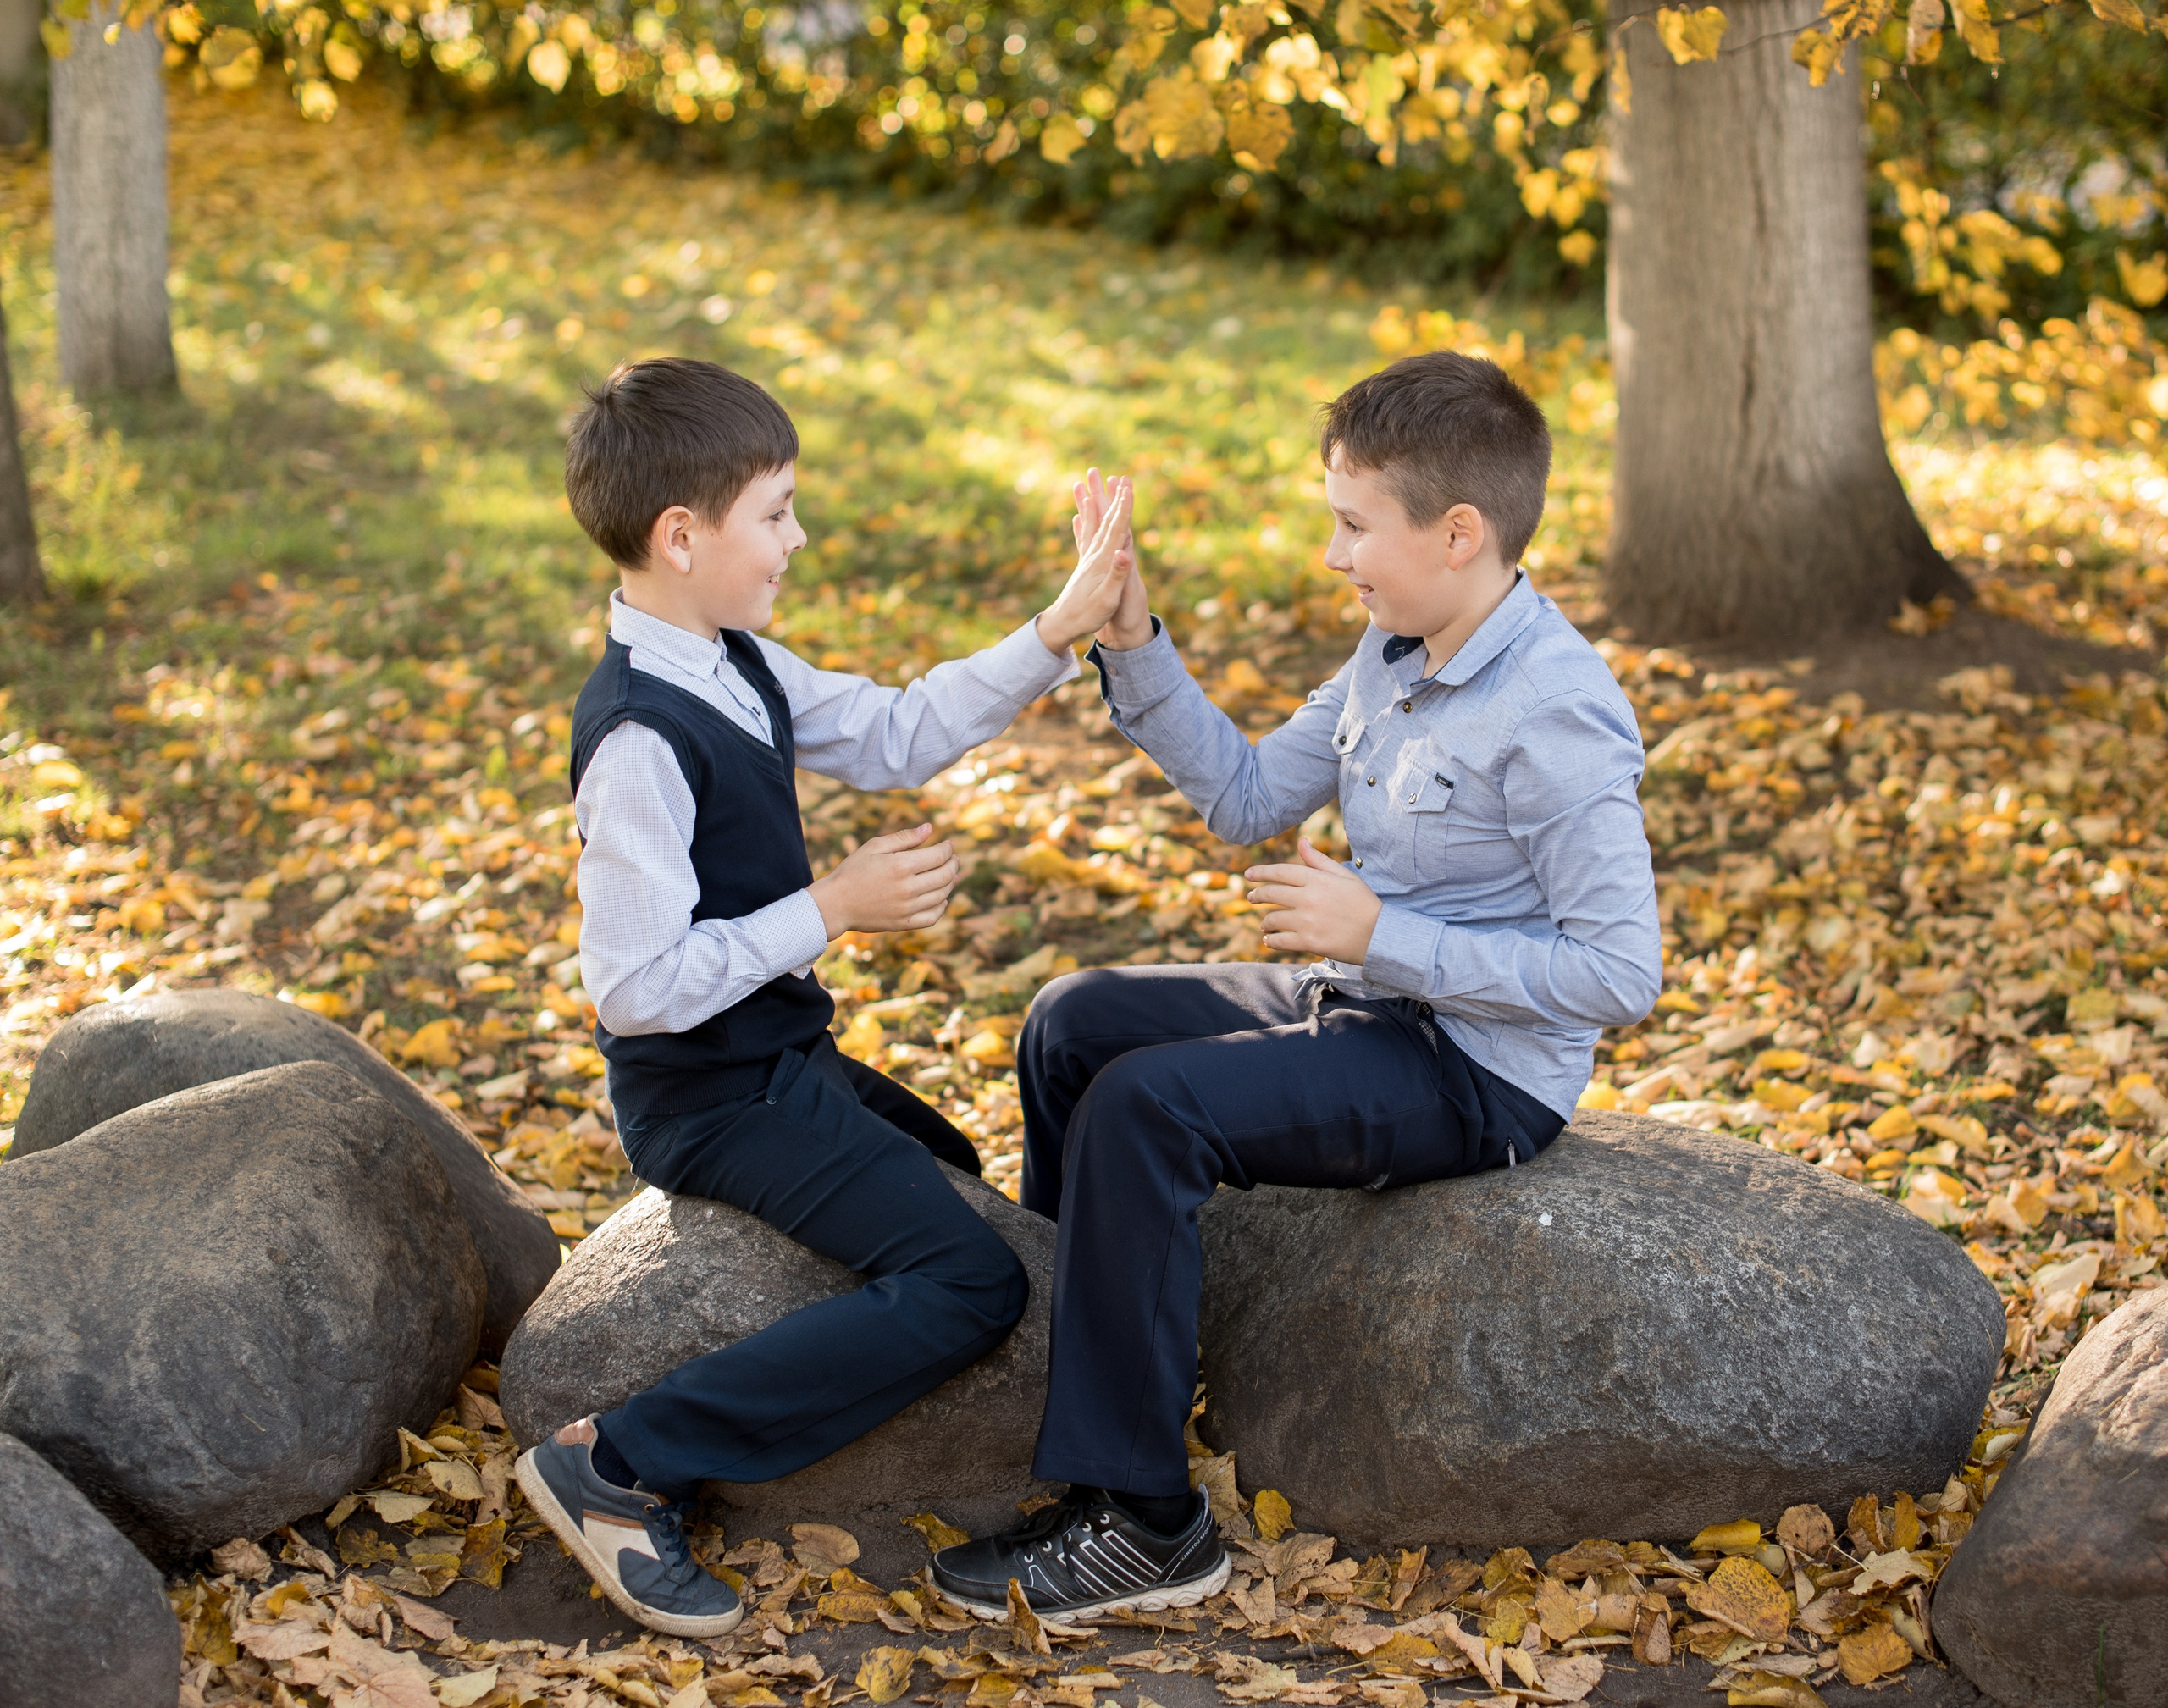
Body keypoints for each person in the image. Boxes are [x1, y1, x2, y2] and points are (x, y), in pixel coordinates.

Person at [931, 351, 1663, 1619]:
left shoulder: (1557, 711)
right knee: (1072, 1025)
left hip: (1474, 1071)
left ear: (1458, 532)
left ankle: (1150, 1523)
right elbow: (1247, 796)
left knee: (1148, 1105)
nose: (1334, 557)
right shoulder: (1395, 643)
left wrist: (1382, 931)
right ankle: (1080, 1396)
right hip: (1365, 1002)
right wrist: (1133, 637)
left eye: (1350, 525)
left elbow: (1619, 973)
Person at [515, 357, 1140, 1639]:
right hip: (708, 1095)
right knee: (972, 1281)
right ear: (683, 536)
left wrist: (1059, 626)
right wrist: (831, 909)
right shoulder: (639, 734)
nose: (799, 536)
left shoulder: (731, 658)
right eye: (778, 511)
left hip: (775, 1060)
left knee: (950, 1157)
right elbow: (635, 992)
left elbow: (900, 731)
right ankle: (624, 1464)